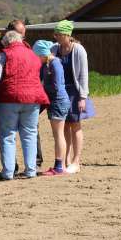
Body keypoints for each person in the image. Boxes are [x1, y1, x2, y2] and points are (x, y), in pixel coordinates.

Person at [0, 30, 50, 180]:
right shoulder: (32, 54)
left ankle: (8, 172)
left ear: (7, 42)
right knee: (30, 134)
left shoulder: (4, 54)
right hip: (32, 98)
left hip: (8, 98)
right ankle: (31, 170)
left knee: (7, 135)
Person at [51, 20, 95, 174]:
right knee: (64, 127)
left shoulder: (78, 50)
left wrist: (83, 97)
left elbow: (84, 75)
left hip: (75, 92)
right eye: (55, 34)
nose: (56, 37)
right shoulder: (54, 49)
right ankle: (65, 159)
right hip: (60, 93)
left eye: (59, 34)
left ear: (67, 35)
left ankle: (76, 161)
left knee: (75, 125)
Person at [33, 40, 71, 176]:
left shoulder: (55, 63)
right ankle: (59, 165)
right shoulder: (47, 64)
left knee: (58, 134)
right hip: (55, 101)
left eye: (37, 55)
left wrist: (43, 90)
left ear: (42, 54)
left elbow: (57, 86)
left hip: (58, 102)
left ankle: (59, 167)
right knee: (57, 135)